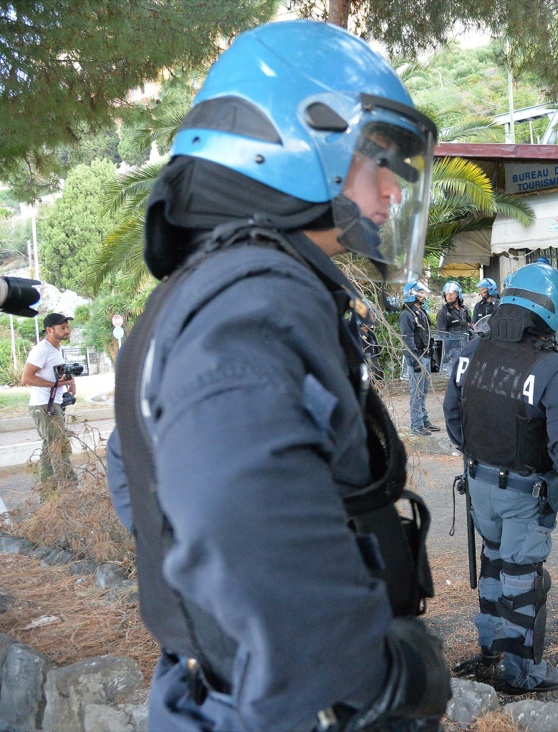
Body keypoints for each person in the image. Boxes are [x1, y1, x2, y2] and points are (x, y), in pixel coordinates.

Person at [105, 21, 450, 731]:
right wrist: (366, 679)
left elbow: (134, 471)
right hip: (285, 707)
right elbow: (224, 497)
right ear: (302, 140)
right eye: (380, 162)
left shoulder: (199, 289)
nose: (393, 192)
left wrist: (214, 600)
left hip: (233, 687)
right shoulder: (259, 295)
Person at [443, 262, 558, 694]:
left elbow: (452, 415)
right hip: (524, 493)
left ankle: (490, 651)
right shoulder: (549, 366)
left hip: (478, 485)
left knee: (493, 564)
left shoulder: (471, 351)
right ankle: (522, 675)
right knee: (522, 581)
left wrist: (478, 455)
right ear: (550, 308)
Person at [22, 312, 77, 486]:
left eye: (67, 327)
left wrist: (70, 382)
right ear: (49, 330)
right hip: (44, 405)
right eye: (62, 328)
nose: (67, 330)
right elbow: (26, 378)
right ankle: (69, 488)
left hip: (52, 404)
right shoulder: (42, 350)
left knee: (50, 447)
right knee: (59, 447)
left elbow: (58, 373)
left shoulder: (56, 349)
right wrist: (53, 385)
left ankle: (48, 490)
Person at [401, 280, 439, 435]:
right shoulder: (406, 314)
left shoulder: (421, 312)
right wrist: (414, 359)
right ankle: (417, 425)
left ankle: (424, 420)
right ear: (412, 294)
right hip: (417, 357)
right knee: (416, 392)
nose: (424, 296)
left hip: (425, 356)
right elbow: (407, 339)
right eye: (421, 293)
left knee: (423, 390)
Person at [436, 280, 472, 377]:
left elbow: (471, 326)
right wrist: (445, 353)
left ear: (458, 294)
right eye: (446, 294)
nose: (448, 296)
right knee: (454, 378)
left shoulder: (465, 310)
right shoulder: (443, 313)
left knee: (466, 378)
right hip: (452, 351)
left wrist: (470, 332)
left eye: (451, 294)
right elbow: (441, 334)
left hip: (466, 348)